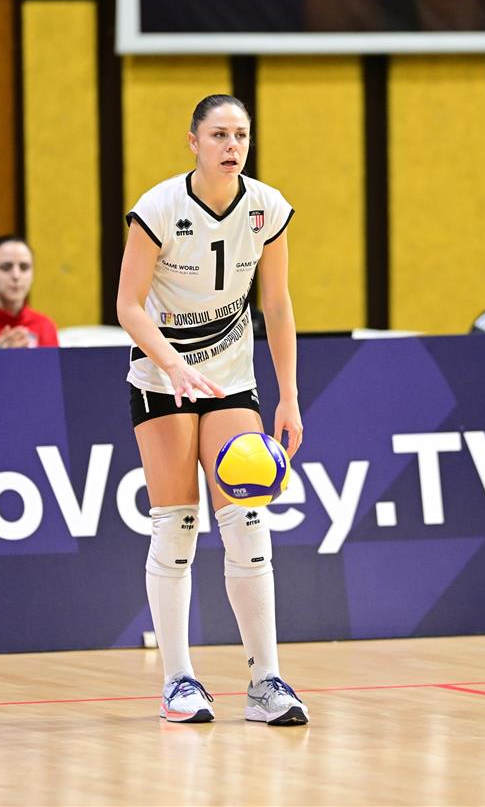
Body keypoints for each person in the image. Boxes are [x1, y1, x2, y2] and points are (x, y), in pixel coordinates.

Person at [116, 94, 308, 726]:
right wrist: (172, 365)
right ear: (193, 141)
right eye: (220, 135)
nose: (232, 146)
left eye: (241, 135)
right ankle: (178, 681)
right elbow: (128, 305)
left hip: (231, 377)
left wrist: (289, 395)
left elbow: (276, 305)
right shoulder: (158, 208)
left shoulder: (267, 207)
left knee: (248, 525)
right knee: (176, 527)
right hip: (163, 379)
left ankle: (266, 682)